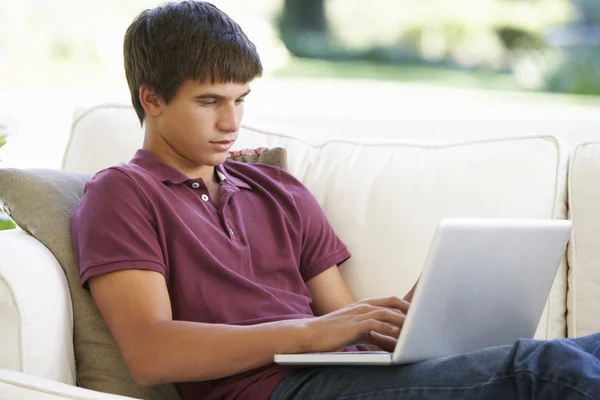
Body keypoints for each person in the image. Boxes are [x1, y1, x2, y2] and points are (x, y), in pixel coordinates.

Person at [71, 1, 600, 399]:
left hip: (345, 374)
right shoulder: (122, 193)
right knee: (547, 372)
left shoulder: (278, 191)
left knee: (586, 351)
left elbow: (345, 322)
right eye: (209, 102)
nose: (231, 123)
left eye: (239, 100)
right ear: (152, 98)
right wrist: (311, 334)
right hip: (276, 390)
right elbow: (150, 352)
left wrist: (413, 318)